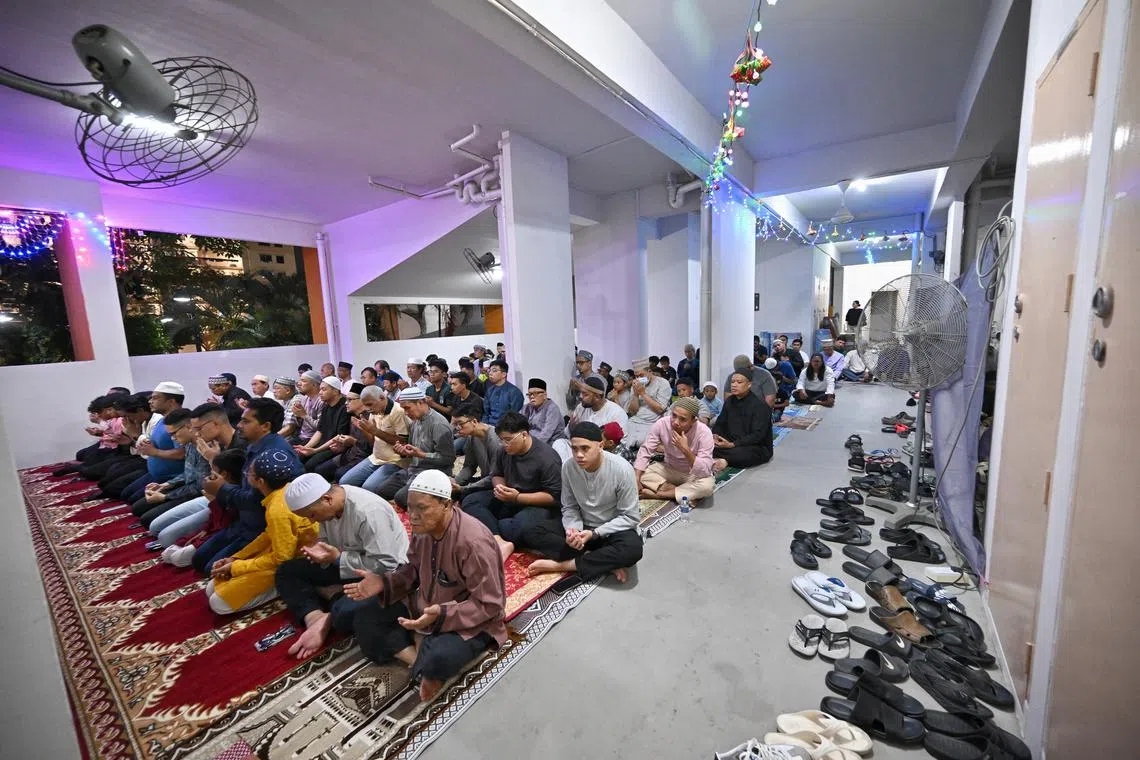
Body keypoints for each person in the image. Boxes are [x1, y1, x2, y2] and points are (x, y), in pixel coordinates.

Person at [344, 470, 507, 701]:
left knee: (440, 658)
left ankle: (425, 657)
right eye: (410, 507)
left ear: (447, 505)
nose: (413, 515)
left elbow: (490, 604)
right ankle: (418, 659)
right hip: (426, 605)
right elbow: (412, 571)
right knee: (364, 615)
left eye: (422, 508)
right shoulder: (423, 532)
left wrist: (441, 614)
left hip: (470, 619)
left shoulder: (472, 543)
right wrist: (383, 582)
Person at [278, 473, 410, 659]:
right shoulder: (330, 507)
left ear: (326, 499)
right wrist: (320, 551)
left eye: (312, 515)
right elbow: (327, 539)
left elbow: (385, 563)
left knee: (343, 615)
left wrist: (339, 558)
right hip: (345, 561)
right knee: (287, 571)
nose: (312, 521)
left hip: (383, 574)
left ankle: (334, 602)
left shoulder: (368, 511)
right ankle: (315, 617)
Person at [525, 422, 644, 584]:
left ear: (600, 446)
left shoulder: (622, 469)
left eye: (585, 448)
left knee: (632, 550)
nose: (579, 454)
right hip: (583, 527)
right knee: (530, 531)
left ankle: (563, 565)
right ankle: (602, 560)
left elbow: (630, 517)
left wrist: (595, 533)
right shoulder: (568, 467)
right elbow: (569, 507)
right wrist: (573, 531)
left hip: (610, 530)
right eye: (574, 449)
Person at [195, 398, 303, 574]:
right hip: (245, 521)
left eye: (246, 421)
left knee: (211, 569)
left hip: (262, 528)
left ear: (265, 426)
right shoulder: (255, 446)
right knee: (199, 560)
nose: (238, 425)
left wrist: (221, 489)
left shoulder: (274, 456)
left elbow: (257, 502)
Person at [205, 450, 319, 615]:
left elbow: (283, 559)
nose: (246, 475)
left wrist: (236, 567)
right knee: (212, 587)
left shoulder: (277, 509)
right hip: (278, 551)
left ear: (260, 481)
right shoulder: (282, 493)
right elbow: (268, 534)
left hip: (294, 561)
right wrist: (236, 557)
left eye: (249, 473)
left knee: (218, 603)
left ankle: (280, 587)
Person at [459, 411, 563, 559]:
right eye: (501, 440)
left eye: (508, 440)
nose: (504, 444)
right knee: (470, 501)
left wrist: (518, 497)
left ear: (524, 435)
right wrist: (500, 487)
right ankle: (498, 540)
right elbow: (497, 474)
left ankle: (492, 529)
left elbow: (555, 497)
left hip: (534, 503)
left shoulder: (547, 458)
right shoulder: (504, 450)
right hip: (509, 496)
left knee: (521, 527)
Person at [154, 448, 247, 563]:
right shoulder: (220, 488)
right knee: (170, 550)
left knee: (178, 558)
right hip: (213, 528)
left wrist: (213, 500)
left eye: (213, 473)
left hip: (225, 533)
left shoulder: (236, 494)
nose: (209, 476)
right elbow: (211, 518)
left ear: (224, 474)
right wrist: (204, 529)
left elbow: (224, 525)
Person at [107, 382, 187, 504]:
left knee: (136, 505)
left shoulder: (180, 422)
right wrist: (132, 440)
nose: (150, 401)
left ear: (171, 402)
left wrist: (155, 452)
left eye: (155, 398)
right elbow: (149, 447)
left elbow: (182, 453)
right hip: (155, 475)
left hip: (172, 478)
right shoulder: (162, 420)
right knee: (126, 496)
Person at [377, 387, 456, 507]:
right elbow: (412, 451)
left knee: (401, 499)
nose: (406, 413)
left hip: (433, 473)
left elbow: (448, 459)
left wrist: (421, 454)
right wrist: (403, 451)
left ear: (421, 402)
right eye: (403, 409)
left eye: (407, 408)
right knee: (382, 491)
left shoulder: (439, 424)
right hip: (413, 470)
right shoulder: (415, 422)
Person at [132, 407, 209, 527]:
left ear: (188, 427)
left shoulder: (204, 447)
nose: (173, 438)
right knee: (138, 507)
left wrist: (165, 497)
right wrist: (167, 484)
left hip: (197, 494)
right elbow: (189, 473)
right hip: (187, 487)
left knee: (148, 520)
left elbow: (200, 486)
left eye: (174, 433)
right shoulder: (189, 443)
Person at [634, 397, 715, 503]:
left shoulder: (704, 432)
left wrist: (685, 450)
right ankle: (681, 493)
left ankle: (660, 495)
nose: (676, 422)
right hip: (669, 469)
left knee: (707, 486)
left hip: (692, 474)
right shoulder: (662, 424)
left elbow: (704, 470)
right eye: (674, 415)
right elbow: (646, 450)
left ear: (693, 420)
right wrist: (636, 477)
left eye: (683, 419)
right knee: (639, 474)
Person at [340, 385, 410, 493]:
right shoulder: (374, 412)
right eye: (365, 405)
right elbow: (372, 441)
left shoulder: (398, 411)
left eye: (370, 404)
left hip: (395, 461)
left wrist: (374, 431)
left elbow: (402, 442)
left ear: (382, 397)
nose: (368, 409)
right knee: (344, 482)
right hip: (375, 458)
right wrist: (364, 429)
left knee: (368, 488)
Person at [712, 371, 774, 471]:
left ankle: (725, 460)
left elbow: (758, 435)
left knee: (744, 455)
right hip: (729, 442)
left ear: (749, 384)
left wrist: (732, 445)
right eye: (732, 382)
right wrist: (715, 436)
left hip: (752, 446)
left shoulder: (760, 405)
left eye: (739, 382)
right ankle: (725, 458)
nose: (734, 385)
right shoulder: (730, 401)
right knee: (704, 445)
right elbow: (720, 423)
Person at [554, 377, 629, 460]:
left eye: (585, 394)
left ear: (597, 397)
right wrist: (571, 428)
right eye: (581, 393)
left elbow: (621, 444)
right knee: (559, 443)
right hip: (579, 448)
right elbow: (568, 435)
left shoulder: (617, 413)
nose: (580, 396)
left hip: (601, 453)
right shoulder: (581, 407)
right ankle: (569, 470)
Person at [295, 377, 351, 473]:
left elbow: (339, 436)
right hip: (323, 441)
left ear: (335, 391)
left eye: (323, 389)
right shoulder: (326, 405)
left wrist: (315, 450)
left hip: (335, 446)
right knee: (298, 455)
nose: (320, 392)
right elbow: (320, 430)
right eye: (320, 389)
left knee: (310, 465)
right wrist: (307, 447)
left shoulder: (345, 408)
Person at [452, 403, 503, 490]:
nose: (457, 428)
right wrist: (455, 482)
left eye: (460, 424)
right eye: (455, 424)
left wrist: (464, 489)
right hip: (485, 479)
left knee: (468, 499)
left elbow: (495, 475)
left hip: (497, 485)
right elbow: (469, 467)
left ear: (474, 422)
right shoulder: (471, 437)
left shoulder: (495, 439)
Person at [623, 360, 672, 448]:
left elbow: (660, 409)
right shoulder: (636, 384)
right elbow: (632, 412)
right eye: (636, 376)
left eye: (641, 375)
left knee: (643, 444)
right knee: (624, 441)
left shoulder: (663, 383)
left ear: (649, 371)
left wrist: (643, 394)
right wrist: (635, 395)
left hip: (653, 421)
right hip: (635, 420)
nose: (639, 378)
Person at [282, 370, 324, 444]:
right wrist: (297, 415)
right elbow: (300, 424)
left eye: (303, 381)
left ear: (314, 384)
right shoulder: (305, 398)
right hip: (301, 437)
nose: (299, 384)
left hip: (313, 439)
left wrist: (303, 415)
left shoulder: (322, 401)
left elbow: (321, 428)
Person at [522, 378, 565, 445]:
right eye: (530, 394)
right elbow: (520, 426)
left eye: (535, 393)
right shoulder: (526, 407)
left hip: (551, 443)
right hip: (531, 441)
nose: (532, 397)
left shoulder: (552, 408)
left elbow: (546, 435)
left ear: (545, 395)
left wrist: (530, 446)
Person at [482, 359, 524, 426]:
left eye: (494, 371)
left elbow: (513, 415)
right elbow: (485, 413)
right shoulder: (489, 391)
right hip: (490, 427)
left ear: (504, 374)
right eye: (489, 370)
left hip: (506, 427)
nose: (490, 373)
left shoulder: (514, 392)